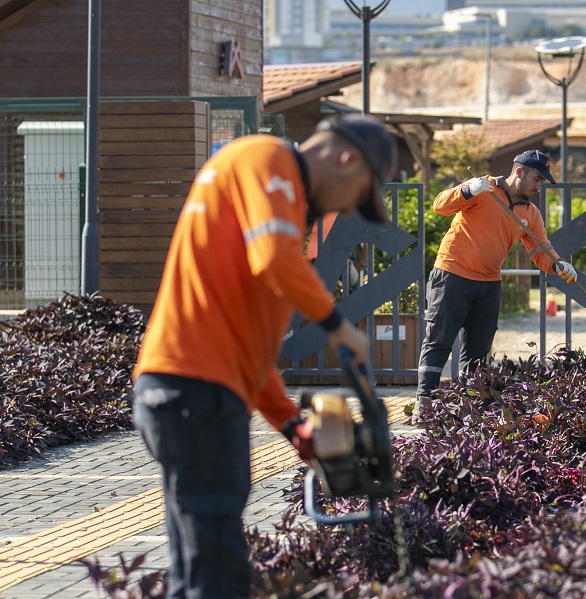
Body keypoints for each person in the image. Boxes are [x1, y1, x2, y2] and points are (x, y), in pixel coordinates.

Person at [131, 115, 397, 599]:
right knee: (217, 571)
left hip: (194, 389)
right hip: (194, 391)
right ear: (346, 159)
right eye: (358, 196)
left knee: (199, 564)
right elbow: (274, 259)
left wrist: (292, 426)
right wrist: (339, 328)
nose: (348, 209)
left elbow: (251, 351)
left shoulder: (274, 218)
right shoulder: (267, 158)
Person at [414, 150, 577, 422]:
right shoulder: (483, 188)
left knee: (478, 352)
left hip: (489, 283)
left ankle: (469, 411)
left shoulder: (530, 213)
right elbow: (440, 205)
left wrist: (558, 264)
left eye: (543, 182)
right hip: (453, 274)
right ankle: (425, 406)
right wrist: (467, 191)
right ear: (520, 172)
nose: (539, 186)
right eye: (537, 179)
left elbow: (540, 251)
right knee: (438, 341)